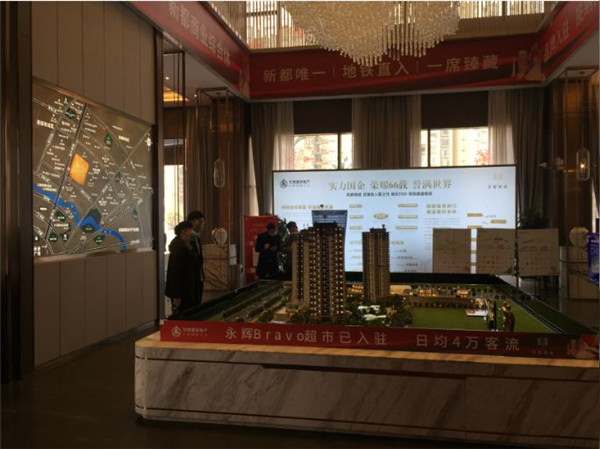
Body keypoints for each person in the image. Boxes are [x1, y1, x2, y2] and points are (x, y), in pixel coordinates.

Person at [165, 221, 201, 314]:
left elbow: (196, 260)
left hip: (188, 287)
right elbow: (175, 273)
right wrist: (177, 295)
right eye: (190, 230)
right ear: (183, 231)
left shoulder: (187, 245)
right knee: (184, 315)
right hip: (182, 291)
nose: (192, 232)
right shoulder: (177, 248)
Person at [186, 210, 205, 304]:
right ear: (191, 222)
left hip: (198, 280)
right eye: (200, 221)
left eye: (203, 222)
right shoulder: (186, 240)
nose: (202, 224)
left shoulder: (196, 237)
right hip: (190, 282)